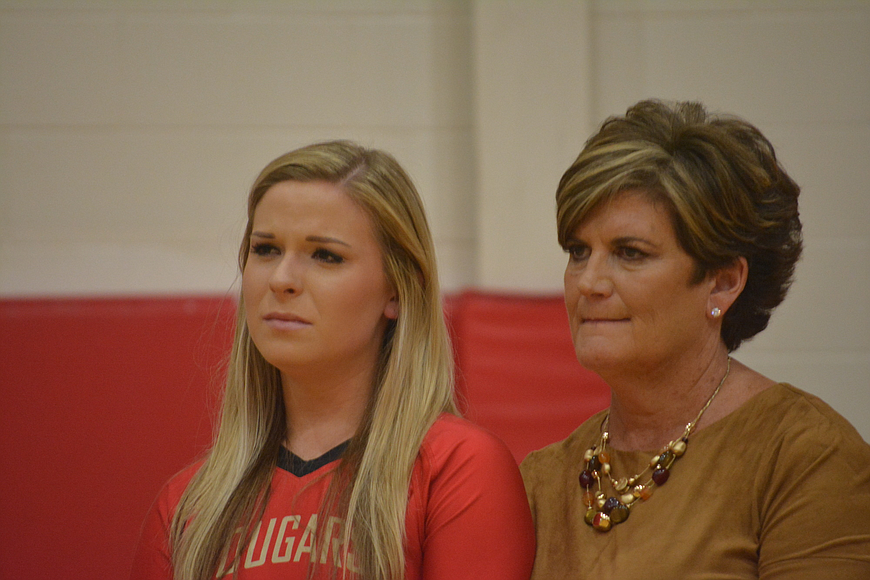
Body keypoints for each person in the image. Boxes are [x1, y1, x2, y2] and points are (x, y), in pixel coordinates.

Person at [131, 141, 535, 580]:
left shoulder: (458, 470)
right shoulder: (187, 507)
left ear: (398, 291)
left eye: (325, 255)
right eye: (266, 249)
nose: (282, 279)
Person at [520, 100, 870, 578]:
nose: (588, 282)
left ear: (723, 283)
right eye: (578, 252)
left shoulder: (804, 455)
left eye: (630, 253)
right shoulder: (540, 480)